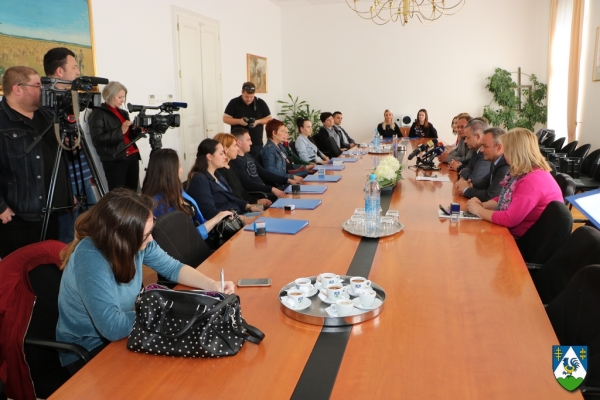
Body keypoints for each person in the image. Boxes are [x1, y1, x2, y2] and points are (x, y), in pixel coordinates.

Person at [56, 188, 234, 374]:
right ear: (122, 239)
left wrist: (213, 285)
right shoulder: (90, 257)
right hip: (90, 349)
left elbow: (173, 268)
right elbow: (112, 327)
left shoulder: (137, 240)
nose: (151, 239)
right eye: (145, 236)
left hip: (127, 330)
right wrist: (170, 311)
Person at [0, 66, 72, 258]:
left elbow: (60, 160)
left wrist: (66, 193)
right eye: (37, 85)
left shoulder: (48, 117)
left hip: (52, 211)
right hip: (17, 216)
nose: (42, 90)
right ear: (17, 89)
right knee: (20, 268)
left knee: (48, 265)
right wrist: (0, 207)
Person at [43, 47, 98, 243]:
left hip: (80, 174)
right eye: (74, 67)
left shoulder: (69, 98)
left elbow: (76, 136)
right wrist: (63, 190)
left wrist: (89, 173)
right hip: (63, 180)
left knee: (95, 227)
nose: (78, 72)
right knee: (66, 237)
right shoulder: (45, 103)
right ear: (60, 71)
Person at [466, 128, 563, 238]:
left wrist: (479, 211)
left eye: (506, 149)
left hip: (524, 241)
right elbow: (506, 197)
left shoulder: (532, 180)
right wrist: (483, 205)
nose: (504, 153)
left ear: (515, 151)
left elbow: (510, 219)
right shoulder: (526, 171)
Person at [141, 148, 233, 240]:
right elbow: (185, 239)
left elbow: (198, 220)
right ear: (169, 171)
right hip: (194, 244)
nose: (182, 170)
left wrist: (217, 221)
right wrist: (216, 219)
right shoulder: (159, 204)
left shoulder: (176, 189)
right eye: (179, 166)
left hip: (203, 238)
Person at [187, 139, 262, 222]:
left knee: (267, 217)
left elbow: (232, 198)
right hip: (228, 222)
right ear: (210, 157)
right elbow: (209, 212)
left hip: (237, 215)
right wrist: (241, 218)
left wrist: (249, 206)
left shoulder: (217, 174)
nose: (225, 157)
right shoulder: (200, 179)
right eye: (221, 153)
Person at [89, 81, 142, 191]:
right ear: (110, 95)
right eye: (119, 97)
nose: (122, 100)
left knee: (132, 194)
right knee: (118, 195)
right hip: (115, 160)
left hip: (132, 157)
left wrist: (136, 130)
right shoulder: (98, 113)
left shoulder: (123, 113)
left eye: (123, 97)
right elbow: (97, 140)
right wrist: (120, 131)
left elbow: (129, 136)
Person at [229, 128, 298, 197]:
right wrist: (272, 189)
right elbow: (248, 184)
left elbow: (264, 173)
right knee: (292, 193)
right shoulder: (236, 161)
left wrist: (287, 180)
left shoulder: (249, 156)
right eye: (248, 140)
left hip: (265, 190)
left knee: (295, 188)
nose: (251, 143)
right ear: (239, 143)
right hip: (258, 194)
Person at [213, 132, 272, 208]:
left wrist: (257, 201)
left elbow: (242, 191)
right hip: (239, 209)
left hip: (245, 205)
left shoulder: (232, 166)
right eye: (235, 146)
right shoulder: (220, 172)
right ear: (225, 149)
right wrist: (250, 205)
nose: (238, 149)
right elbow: (231, 198)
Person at [456, 127, 509, 201]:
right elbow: (485, 182)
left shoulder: (505, 166)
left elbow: (491, 196)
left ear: (499, 147)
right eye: (481, 146)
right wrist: (471, 185)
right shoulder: (496, 160)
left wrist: (466, 190)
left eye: (485, 146)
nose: (481, 150)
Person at [223, 82, 272, 158]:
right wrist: (239, 121)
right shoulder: (234, 102)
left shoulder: (260, 103)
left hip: (256, 142)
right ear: (242, 92)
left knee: (256, 162)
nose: (249, 99)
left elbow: (269, 119)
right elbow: (225, 119)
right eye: (246, 97)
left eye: (251, 97)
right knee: (238, 163)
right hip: (238, 143)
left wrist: (258, 121)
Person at [456, 118, 490, 182]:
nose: (465, 141)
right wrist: (466, 172)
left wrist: (463, 171)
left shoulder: (485, 153)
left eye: (467, 137)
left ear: (478, 137)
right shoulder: (475, 150)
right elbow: (468, 169)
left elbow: (474, 180)